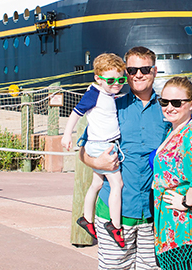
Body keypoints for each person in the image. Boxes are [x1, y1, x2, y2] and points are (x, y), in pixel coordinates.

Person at [80, 46, 168, 270]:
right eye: (132, 70)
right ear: (125, 73)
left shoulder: (168, 110)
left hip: (154, 214)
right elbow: (83, 149)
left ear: (155, 71)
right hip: (115, 214)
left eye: (145, 69)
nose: (139, 74)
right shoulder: (110, 106)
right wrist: (95, 163)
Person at [62, 53, 128, 247]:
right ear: (98, 78)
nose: (116, 83)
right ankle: (115, 226)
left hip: (100, 143)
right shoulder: (95, 93)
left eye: (121, 79)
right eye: (111, 80)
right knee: (117, 184)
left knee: (97, 184)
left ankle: (86, 218)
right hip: (102, 145)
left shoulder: (107, 93)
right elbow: (76, 112)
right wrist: (68, 135)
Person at [153, 76, 192, 270]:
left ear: (191, 104)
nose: (169, 107)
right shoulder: (172, 130)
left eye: (176, 102)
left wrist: (186, 201)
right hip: (171, 225)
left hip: (187, 225)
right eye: (164, 102)